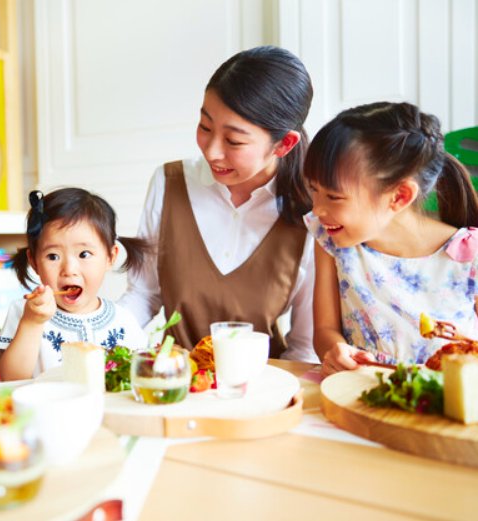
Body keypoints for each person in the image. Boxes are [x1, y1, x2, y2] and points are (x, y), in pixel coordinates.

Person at [121, 46, 316, 361]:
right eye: (205, 127)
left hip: (261, 387)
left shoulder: (311, 212)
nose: (211, 151)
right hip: (177, 382)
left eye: (234, 141)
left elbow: (304, 348)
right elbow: (144, 295)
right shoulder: (169, 183)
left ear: (284, 144)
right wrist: (96, 339)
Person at [303, 101, 478, 376]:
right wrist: (335, 350)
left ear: (399, 196)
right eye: (313, 190)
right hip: (362, 393)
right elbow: (325, 331)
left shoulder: (469, 253)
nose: (317, 208)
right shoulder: (331, 237)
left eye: (334, 196)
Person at [0, 188, 150, 380]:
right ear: (34, 262)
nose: (69, 269)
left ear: (110, 257)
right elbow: (11, 379)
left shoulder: (123, 320)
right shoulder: (25, 313)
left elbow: (142, 374)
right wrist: (32, 323)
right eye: (53, 256)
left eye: (84, 254)